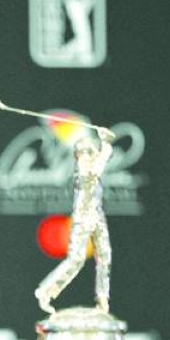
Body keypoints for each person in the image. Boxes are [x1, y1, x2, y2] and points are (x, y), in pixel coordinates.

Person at [35, 128, 115, 314]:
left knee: (105, 258)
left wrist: (104, 144)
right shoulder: (85, 173)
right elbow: (101, 162)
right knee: (76, 260)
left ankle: (103, 300)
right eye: (84, 154)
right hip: (83, 220)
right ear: (78, 157)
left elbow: (101, 160)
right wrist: (106, 143)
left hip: (98, 217)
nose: (87, 157)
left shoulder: (93, 166)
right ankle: (45, 292)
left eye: (90, 152)